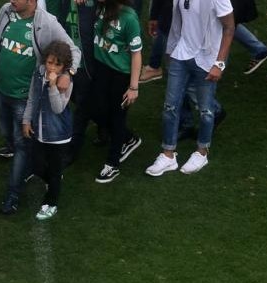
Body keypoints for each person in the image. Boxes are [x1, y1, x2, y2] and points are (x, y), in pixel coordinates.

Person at [0, 0, 81, 215]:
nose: (12, 1)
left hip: (23, 96)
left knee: (21, 146)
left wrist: (67, 73)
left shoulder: (47, 22)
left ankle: (12, 194)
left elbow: (73, 50)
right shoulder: (5, 11)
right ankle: (29, 169)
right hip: (1, 91)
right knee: (9, 136)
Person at [144, 0, 235, 175]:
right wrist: (171, 50)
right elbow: (177, 23)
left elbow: (229, 27)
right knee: (170, 106)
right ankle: (168, 155)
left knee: (206, 110)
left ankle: (202, 152)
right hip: (181, 53)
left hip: (208, 58)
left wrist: (219, 63)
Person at [88, 0, 145, 184]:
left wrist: (133, 87)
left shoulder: (129, 18)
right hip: (101, 68)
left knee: (117, 116)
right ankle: (128, 138)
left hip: (120, 75)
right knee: (97, 110)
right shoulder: (101, 8)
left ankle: (112, 164)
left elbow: (136, 53)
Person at [23, 41, 75, 220]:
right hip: (40, 131)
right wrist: (26, 120)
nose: (52, 67)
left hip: (58, 136)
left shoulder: (65, 83)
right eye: (50, 62)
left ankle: (51, 203)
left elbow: (58, 108)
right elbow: (32, 97)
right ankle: (53, 182)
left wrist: (52, 86)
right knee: (37, 166)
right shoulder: (38, 73)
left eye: (57, 64)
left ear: (64, 66)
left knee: (54, 170)